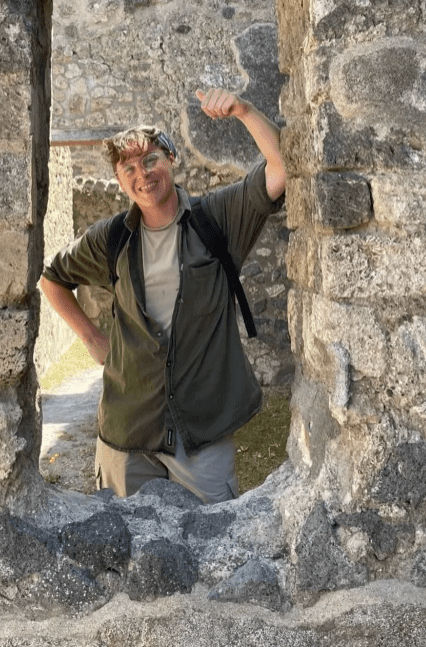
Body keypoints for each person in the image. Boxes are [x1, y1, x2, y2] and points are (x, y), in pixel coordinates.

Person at [39, 89, 287, 503]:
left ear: (171, 160)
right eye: (129, 168)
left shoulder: (216, 219)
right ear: (118, 180)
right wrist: (92, 339)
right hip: (126, 430)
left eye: (151, 159)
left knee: (212, 549)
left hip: (202, 433)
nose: (143, 173)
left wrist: (244, 111)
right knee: (125, 553)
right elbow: (52, 279)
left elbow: (280, 170)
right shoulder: (111, 238)